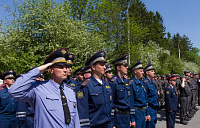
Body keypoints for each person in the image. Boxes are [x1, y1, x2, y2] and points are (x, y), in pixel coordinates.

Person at [9, 48, 80, 128]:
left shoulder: (70, 91)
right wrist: (39, 70)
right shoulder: (38, 88)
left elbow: (75, 119)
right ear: (51, 70)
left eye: (66, 67)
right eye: (60, 67)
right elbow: (14, 91)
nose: (65, 70)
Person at [77, 51, 113, 128]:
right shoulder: (85, 85)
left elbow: (110, 106)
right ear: (93, 67)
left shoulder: (106, 84)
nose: (104, 67)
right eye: (102, 65)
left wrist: (112, 123)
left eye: (104, 65)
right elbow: (82, 111)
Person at [109, 55, 130, 128]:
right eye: (125, 65)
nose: (127, 67)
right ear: (118, 68)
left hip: (127, 116)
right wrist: (112, 123)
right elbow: (111, 103)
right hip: (118, 117)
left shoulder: (126, 82)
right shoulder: (113, 82)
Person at [129, 60, 150, 128]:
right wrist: (132, 119)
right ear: (135, 71)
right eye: (141, 71)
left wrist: (147, 113)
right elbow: (131, 102)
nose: (143, 73)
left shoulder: (142, 83)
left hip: (143, 112)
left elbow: (145, 99)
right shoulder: (131, 84)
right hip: (136, 112)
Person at [143, 62, 158, 128]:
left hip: (154, 108)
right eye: (152, 71)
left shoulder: (151, 82)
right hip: (149, 108)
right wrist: (147, 113)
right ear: (147, 73)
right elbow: (145, 99)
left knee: (153, 124)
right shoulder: (145, 83)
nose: (154, 72)